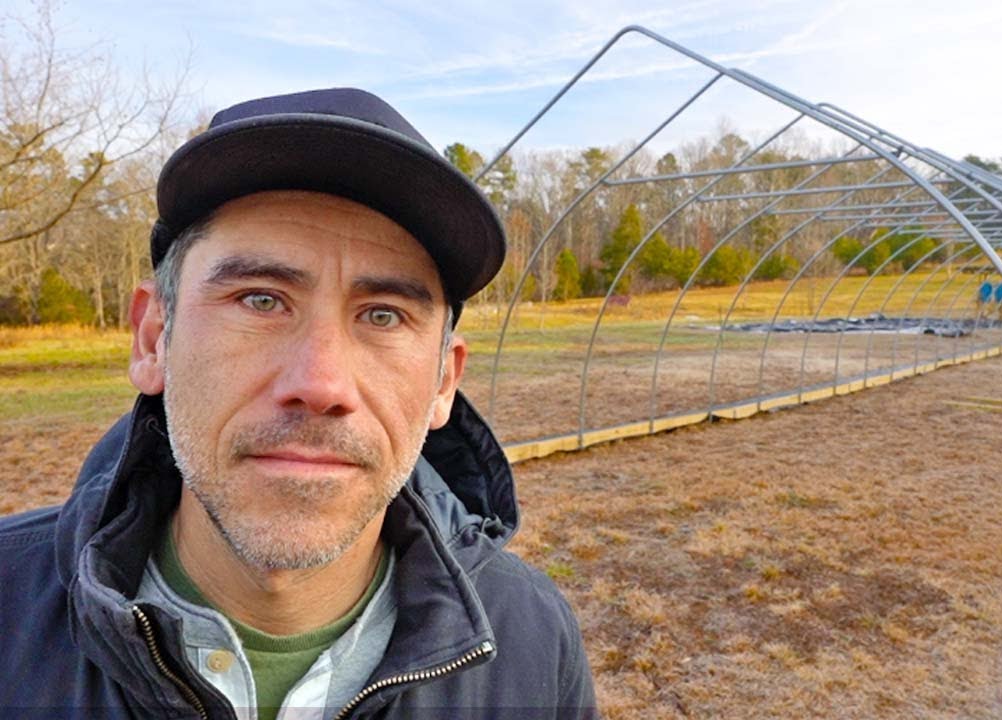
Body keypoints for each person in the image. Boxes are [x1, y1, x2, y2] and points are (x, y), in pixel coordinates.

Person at [0, 88, 596, 719]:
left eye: (384, 315)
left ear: (443, 384)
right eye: (261, 300)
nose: (321, 384)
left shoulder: (535, 643)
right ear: (154, 340)